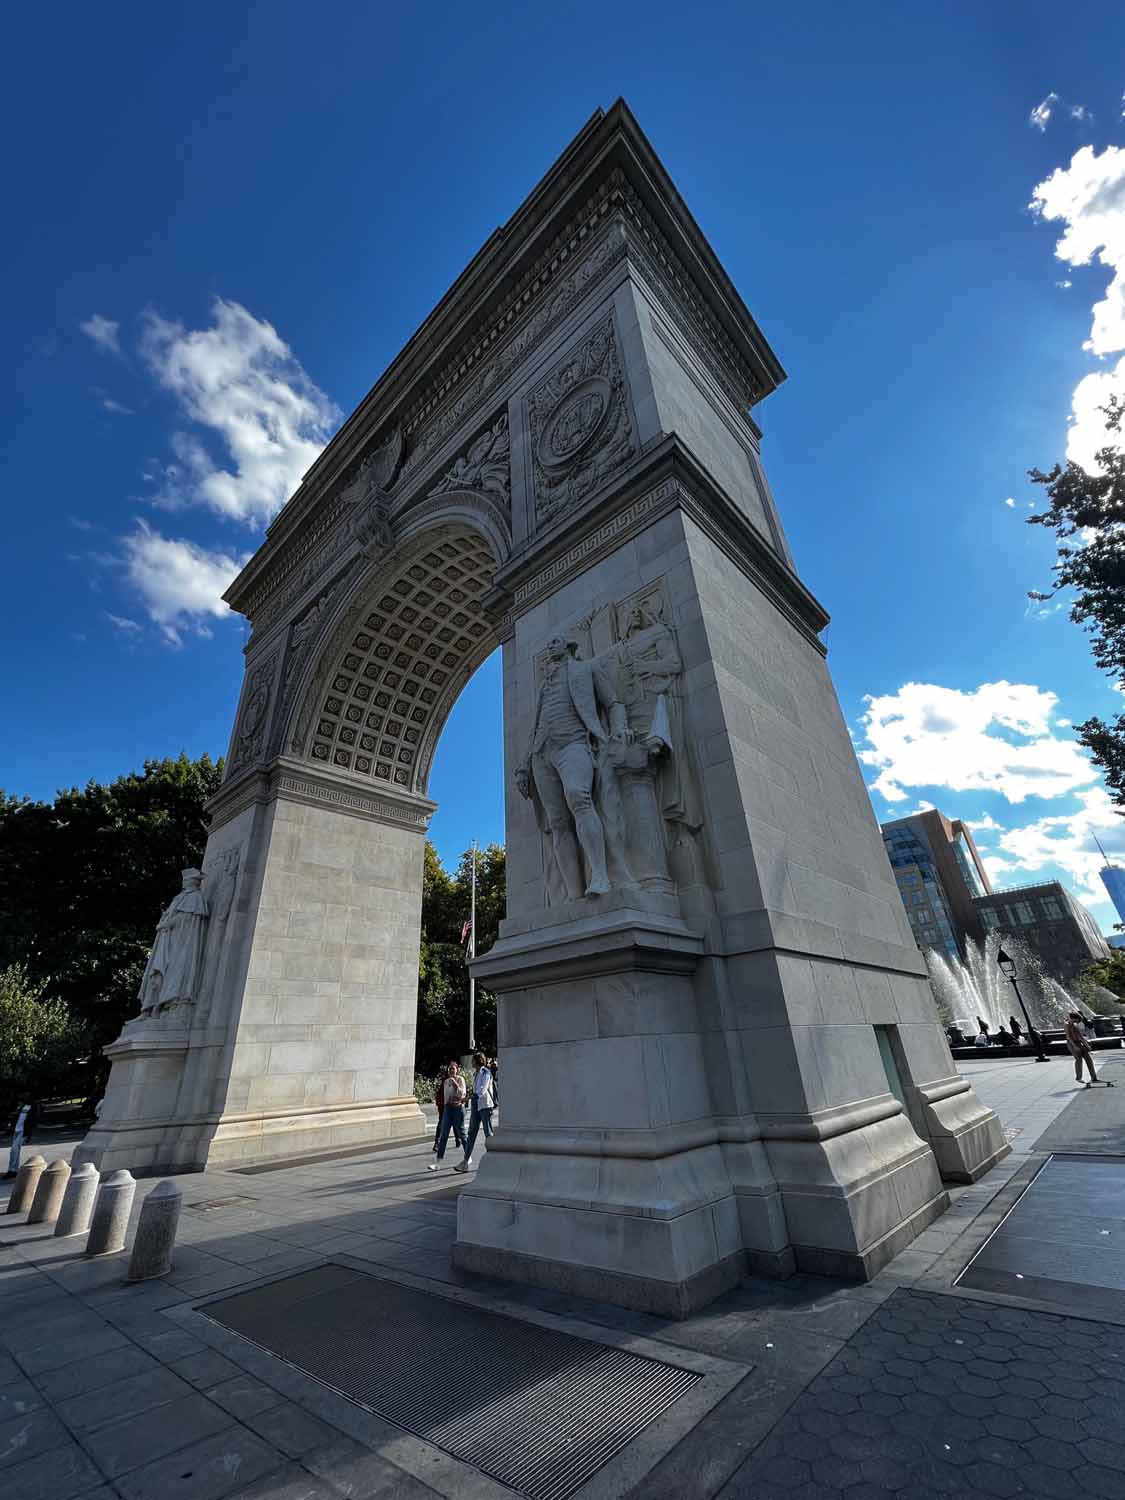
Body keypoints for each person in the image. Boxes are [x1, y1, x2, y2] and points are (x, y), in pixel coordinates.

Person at [455, 1053, 495, 1173]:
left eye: (473, 1060)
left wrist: (468, 1098)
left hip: (485, 1105)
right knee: (471, 1133)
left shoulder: (485, 1073)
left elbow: (481, 1091)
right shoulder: (476, 1073)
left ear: (477, 1061)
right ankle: (465, 1162)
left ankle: (493, 1160)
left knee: (488, 1133)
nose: (471, 1062)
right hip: (476, 1105)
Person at [428, 1061, 467, 1169]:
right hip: (448, 1109)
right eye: (449, 1069)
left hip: (458, 1109)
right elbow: (446, 1097)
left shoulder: (460, 1079)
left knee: (462, 1134)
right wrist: (444, 1108)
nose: (451, 1071)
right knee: (444, 1135)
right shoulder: (446, 1082)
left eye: (453, 1069)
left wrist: (455, 1084)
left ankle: (468, 1156)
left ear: (457, 1070)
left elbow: (462, 1094)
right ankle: (438, 1162)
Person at [1066, 1011, 1114, 1088]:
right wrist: (1075, 1046)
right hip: (1072, 1044)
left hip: (1079, 1043)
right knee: (1079, 1059)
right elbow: (1068, 1037)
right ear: (1073, 1018)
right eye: (1077, 1020)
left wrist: (1086, 1045)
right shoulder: (1067, 1025)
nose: (1078, 1022)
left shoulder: (1075, 1025)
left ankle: (1094, 1077)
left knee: (1088, 1059)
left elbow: (1080, 1037)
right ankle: (1078, 1077)